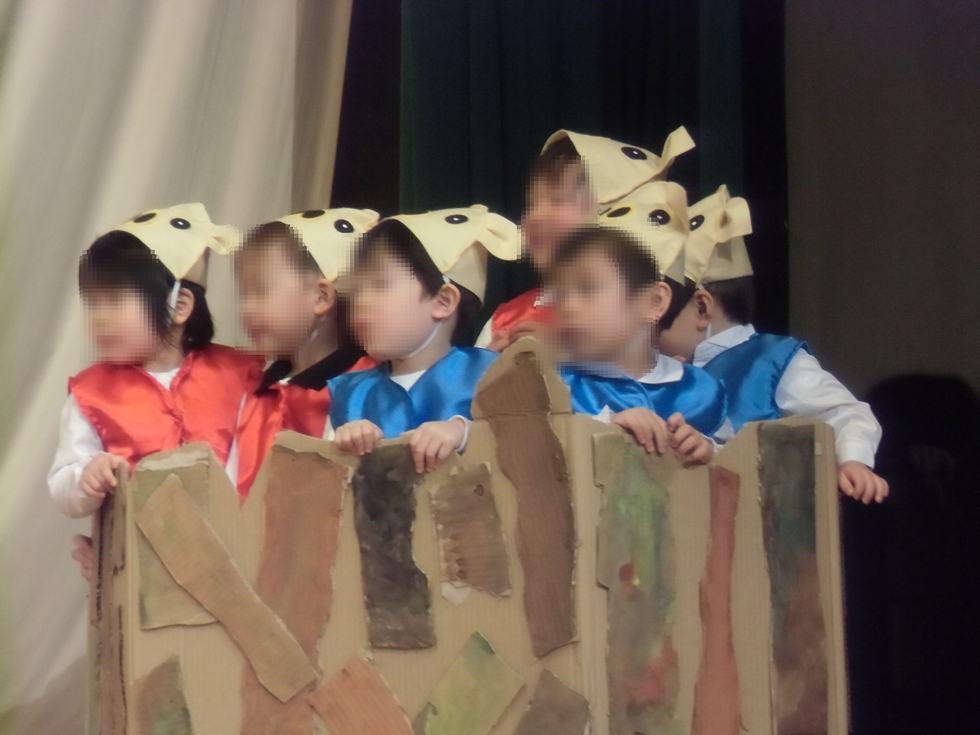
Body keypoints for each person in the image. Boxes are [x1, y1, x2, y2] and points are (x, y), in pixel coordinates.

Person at [49, 204, 263, 578]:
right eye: (93, 303)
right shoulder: (91, 394)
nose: (99, 317)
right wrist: (87, 475)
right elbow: (62, 485)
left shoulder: (241, 375)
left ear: (179, 305)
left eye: (115, 300)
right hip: (141, 571)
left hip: (236, 562)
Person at [657, 185, 889, 503]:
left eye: (659, 315)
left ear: (701, 308)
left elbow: (846, 412)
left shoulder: (771, 361)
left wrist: (852, 460)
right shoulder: (667, 370)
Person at [327, 205, 520, 473]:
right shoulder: (350, 395)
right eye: (356, 290)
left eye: (380, 284)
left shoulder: (491, 376)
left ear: (443, 301)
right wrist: (344, 443)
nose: (361, 301)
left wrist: (463, 432)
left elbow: (527, 445)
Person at [476, 127, 695, 352]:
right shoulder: (506, 321)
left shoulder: (649, 312)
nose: (534, 217)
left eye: (558, 200)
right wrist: (489, 365)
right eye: (531, 204)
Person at [234, 208, 378, 497]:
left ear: (321, 297)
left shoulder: (367, 383)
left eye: (260, 291)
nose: (246, 309)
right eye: (244, 294)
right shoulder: (254, 390)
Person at [550, 224, 722, 465]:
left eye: (588, 289)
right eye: (559, 294)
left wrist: (708, 451)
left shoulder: (699, 390)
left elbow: (741, 464)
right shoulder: (552, 386)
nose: (568, 307)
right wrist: (605, 427)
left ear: (653, 302)